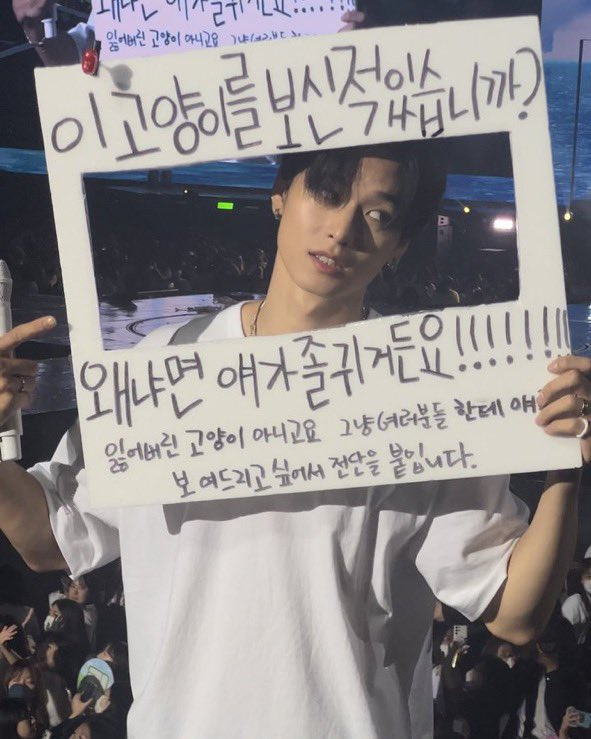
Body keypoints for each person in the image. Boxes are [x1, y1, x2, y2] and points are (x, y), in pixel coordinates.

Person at [0, 141, 590, 739]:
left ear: (401, 243)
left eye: (378, 214)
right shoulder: (161, 366)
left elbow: (515, 613)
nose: (341, 230)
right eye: (328, 193)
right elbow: (49, 540)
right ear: (280, 194)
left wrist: (565, 461)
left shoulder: (428, 392)